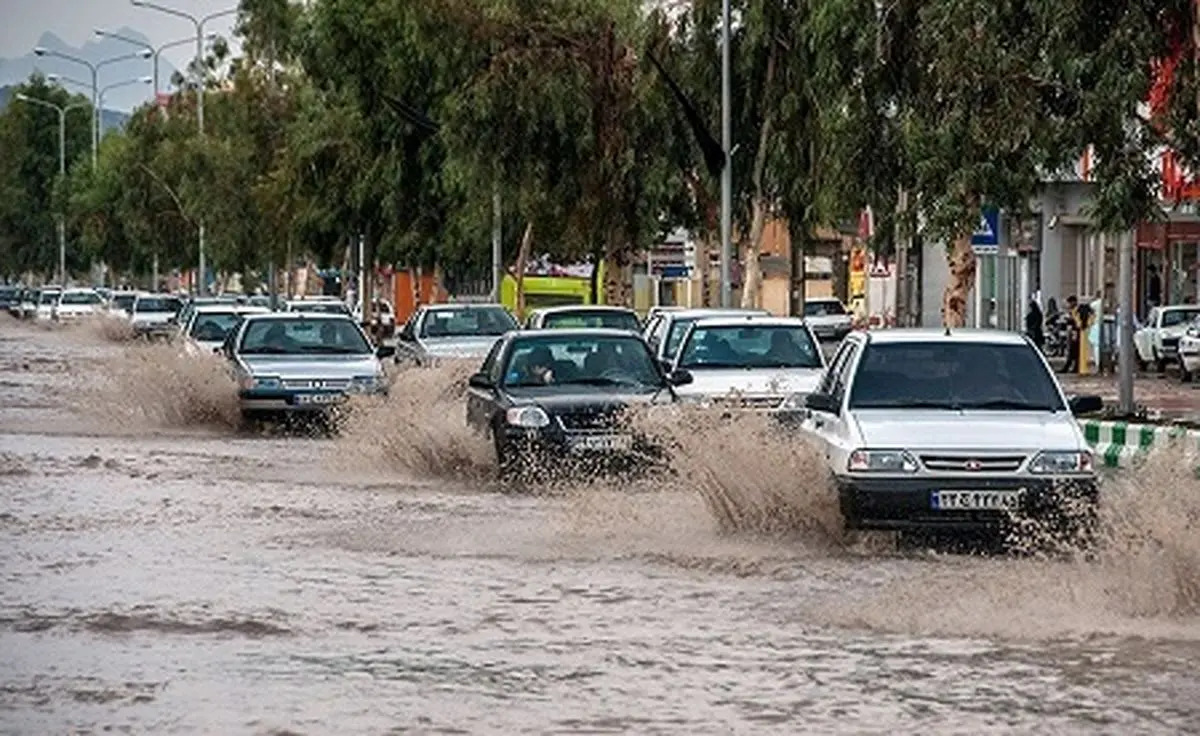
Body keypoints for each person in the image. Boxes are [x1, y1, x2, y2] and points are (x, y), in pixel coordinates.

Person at [1061, 296, 1080, 373]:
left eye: (1069, 303)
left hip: (1074, 332)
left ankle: (1070, 367)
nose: (1068, 305)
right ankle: (1072, 367)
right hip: (1072, 332)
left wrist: (1069, 319)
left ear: (1073, 302)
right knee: (1072, 350)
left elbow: (1076, 321)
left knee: (1073, 350)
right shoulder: (1072, 310)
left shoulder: (1076, 310)